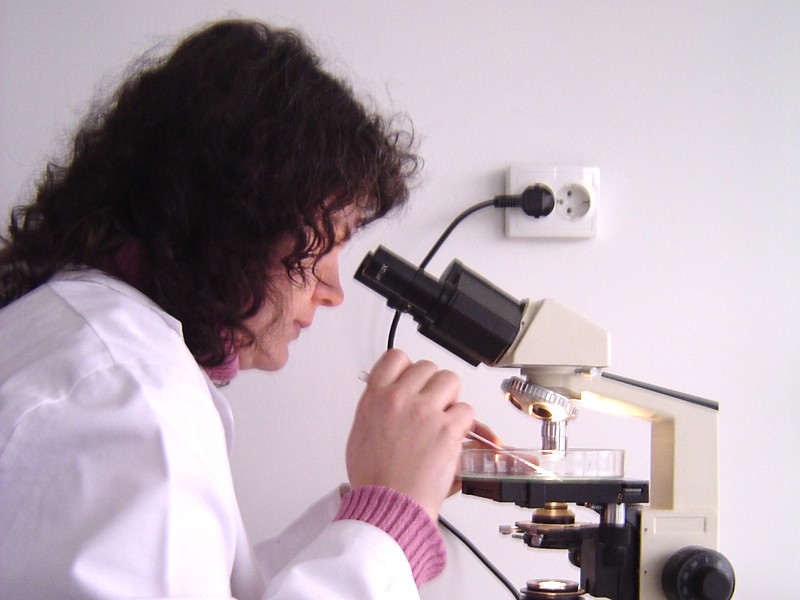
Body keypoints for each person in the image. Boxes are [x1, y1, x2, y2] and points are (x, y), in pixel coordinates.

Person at [0, 19, 494, 598]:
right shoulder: (127, 402)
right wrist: (389, 521)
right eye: (328, 242)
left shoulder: (85, 342)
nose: (333, 289)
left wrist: (384, 506)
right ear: (240, 219)